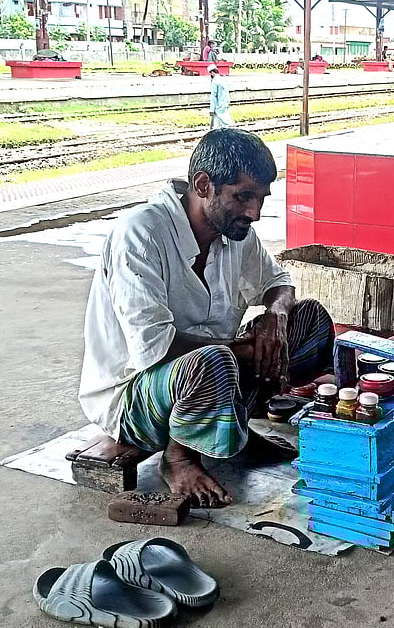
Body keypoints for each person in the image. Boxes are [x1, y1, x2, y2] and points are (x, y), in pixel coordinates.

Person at [78, 128, 336, 507]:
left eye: (260, 198)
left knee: (308, 319)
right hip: (134, 396)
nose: (255, 213)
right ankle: (179, 458)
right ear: (203, 185)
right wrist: (237, 351)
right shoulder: (141, 234)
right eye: (242, 196)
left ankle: (236, 429)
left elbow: (279, 283)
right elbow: (155, 344)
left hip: (215, 371)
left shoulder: (236, 233)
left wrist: (274, 321)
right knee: (214, 361)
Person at [207, 64, 234, 129]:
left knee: (218, 124)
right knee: (225, 122)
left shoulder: (215, 81)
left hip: (218, 106)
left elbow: (213, 96)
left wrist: (211, 109)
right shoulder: (222, 79)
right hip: (224, 105)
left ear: (212, 73)